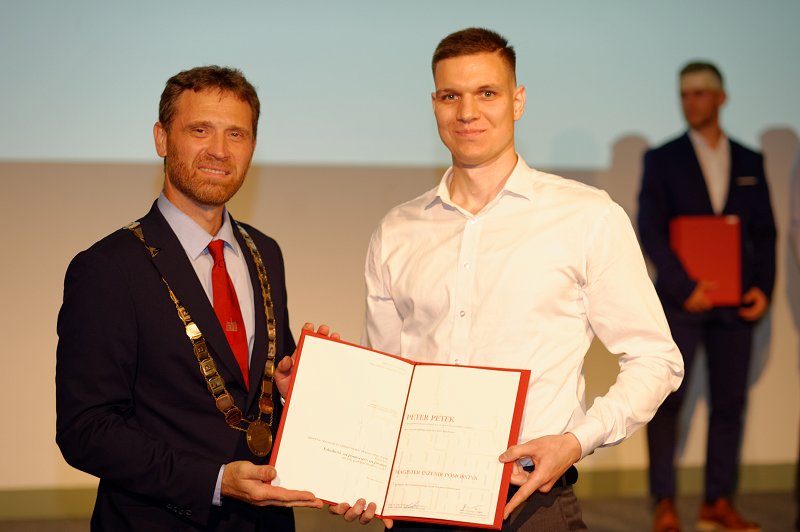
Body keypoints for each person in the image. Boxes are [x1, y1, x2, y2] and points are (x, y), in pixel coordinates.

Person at [337, 28, 684, 531]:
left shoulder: (586, 217)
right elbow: (385, 379)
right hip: (417, 504)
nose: (467, 112)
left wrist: (576, 441)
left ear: (517, 101)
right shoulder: (397, 230)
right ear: (434, 105)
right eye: (450, 96)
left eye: (487, 93)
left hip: (531, 501)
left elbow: (656, 359)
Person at [55, 65, 334, 531]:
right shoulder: (108, 268)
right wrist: (214, 481)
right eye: (200, 130)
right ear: (162, 138)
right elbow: (86, 430)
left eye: (236, 134)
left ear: (253, 146)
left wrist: (293, 389)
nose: (220, 151)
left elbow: (255, 397)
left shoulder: (265, 252)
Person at [638, 61, 776, 532]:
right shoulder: (662, 158)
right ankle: (664, 501)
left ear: (721, 98)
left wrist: (762, 288)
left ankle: (718, 500)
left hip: (736, 305)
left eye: (699, 93)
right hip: (681, 305)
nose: (690, 102)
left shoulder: (750, 160)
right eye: (684, 94)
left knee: (730, 404)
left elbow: (765, 232)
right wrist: (685, 287)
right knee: (668, 403)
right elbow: (651, 229)